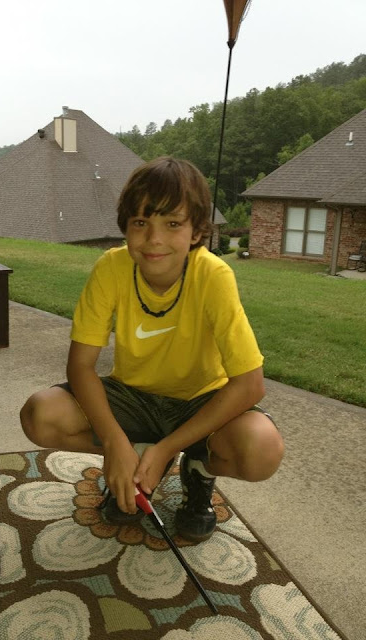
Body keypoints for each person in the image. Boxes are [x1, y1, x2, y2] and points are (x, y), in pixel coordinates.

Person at [20, 156, 284, 542]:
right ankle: (136, 454)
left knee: (262, 450)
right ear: (125, 226)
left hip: (199, 402)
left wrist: (167, 449)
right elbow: (80, 366)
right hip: (133, 397)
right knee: (40, 415)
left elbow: (249, 384)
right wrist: (115, 442)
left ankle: (197, 470)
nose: (154, 239)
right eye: (141, 222)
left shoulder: (214, 276)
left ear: (197, 231)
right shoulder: (110, 268)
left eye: (173, 224)